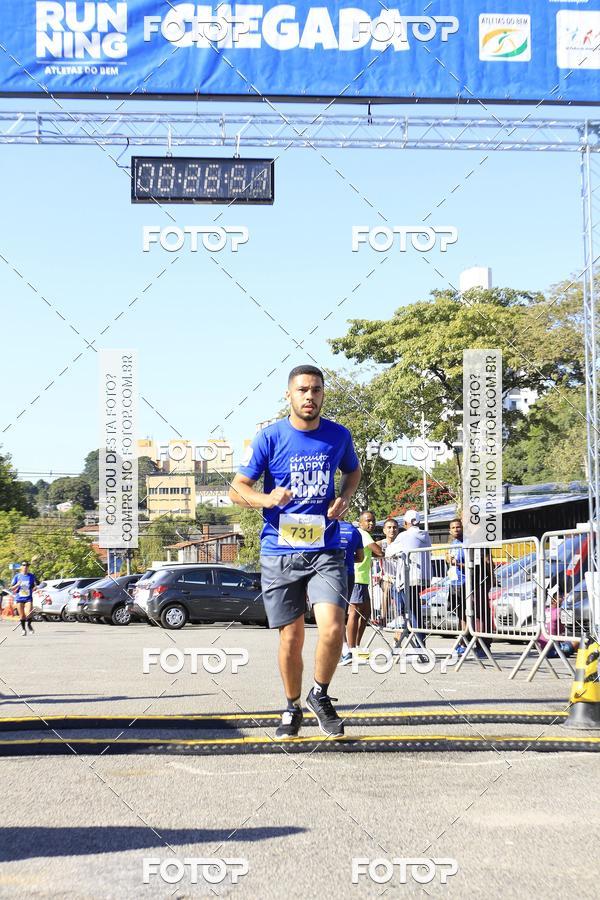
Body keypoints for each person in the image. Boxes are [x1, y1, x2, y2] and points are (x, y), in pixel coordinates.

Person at [229, 365, 361, 738]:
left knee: (333, 627)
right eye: (302, 390)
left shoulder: (338, 435)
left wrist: (345, 497)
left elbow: (353, 472)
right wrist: (267, 498)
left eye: (316, 390)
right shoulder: (270, 437)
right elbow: (237, 489)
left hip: (325, 547)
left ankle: (320, 694)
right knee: (292, 636)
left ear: (323, 395)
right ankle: (291, 706)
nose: (310, 396)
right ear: (289, 395)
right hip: (280, 550)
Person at [342, 511, 383, 664]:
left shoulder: (365, 535)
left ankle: (356, 646)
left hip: (364, 579)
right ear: (360, 523)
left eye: (373, 521)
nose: (371, 523)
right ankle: (351, 648)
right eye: (368, 521)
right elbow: (378, 552)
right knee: (354, 613)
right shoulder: (363, 534)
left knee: (366, 612)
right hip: (357, 578)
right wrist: (381, 548)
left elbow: (371, 553)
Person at [385, 510, 432, 644]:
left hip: (407, 578)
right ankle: (418, 640)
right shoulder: (425, 535)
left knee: (412, 611)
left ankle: (418, 643)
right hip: (422, 577)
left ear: (406, 523)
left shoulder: (404, 535)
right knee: (415, 609)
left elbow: (389, 551)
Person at [446, 518, 468, 653]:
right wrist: (447, 559)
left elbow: (472, 564)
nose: (456, 530)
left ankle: (464, 642)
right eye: (453, 528)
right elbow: (450, 561)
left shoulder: (466, 543)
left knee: (466, 614)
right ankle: (462, 641)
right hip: (454, 582)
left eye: (458, 527)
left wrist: (458, 564)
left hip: (465, 582)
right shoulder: (452, 544)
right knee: (459, 614)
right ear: (450, 530)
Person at [378, 517, 400, 626]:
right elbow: (367, 547)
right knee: (387, 588)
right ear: (384, 530)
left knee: (400, 600)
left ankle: (400, 620)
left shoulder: (401, 543)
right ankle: (383, 617)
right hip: (387, 577)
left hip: (401, 578)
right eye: (389, 527)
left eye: (394, 527)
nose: (392, 530)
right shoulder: (381, 543)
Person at [11, 561, 38, 635]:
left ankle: (29, 625)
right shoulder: (17, 576)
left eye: (27, 565)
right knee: (22, 615)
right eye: (24, 565)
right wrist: (17, 585)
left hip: (28, 598)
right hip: (19, 598)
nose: (25, 567)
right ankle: (23, 629)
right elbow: (12, 588)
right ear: (21, 567)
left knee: (29, 613)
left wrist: (35, 588)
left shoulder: (31, 576)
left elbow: (34, 585)